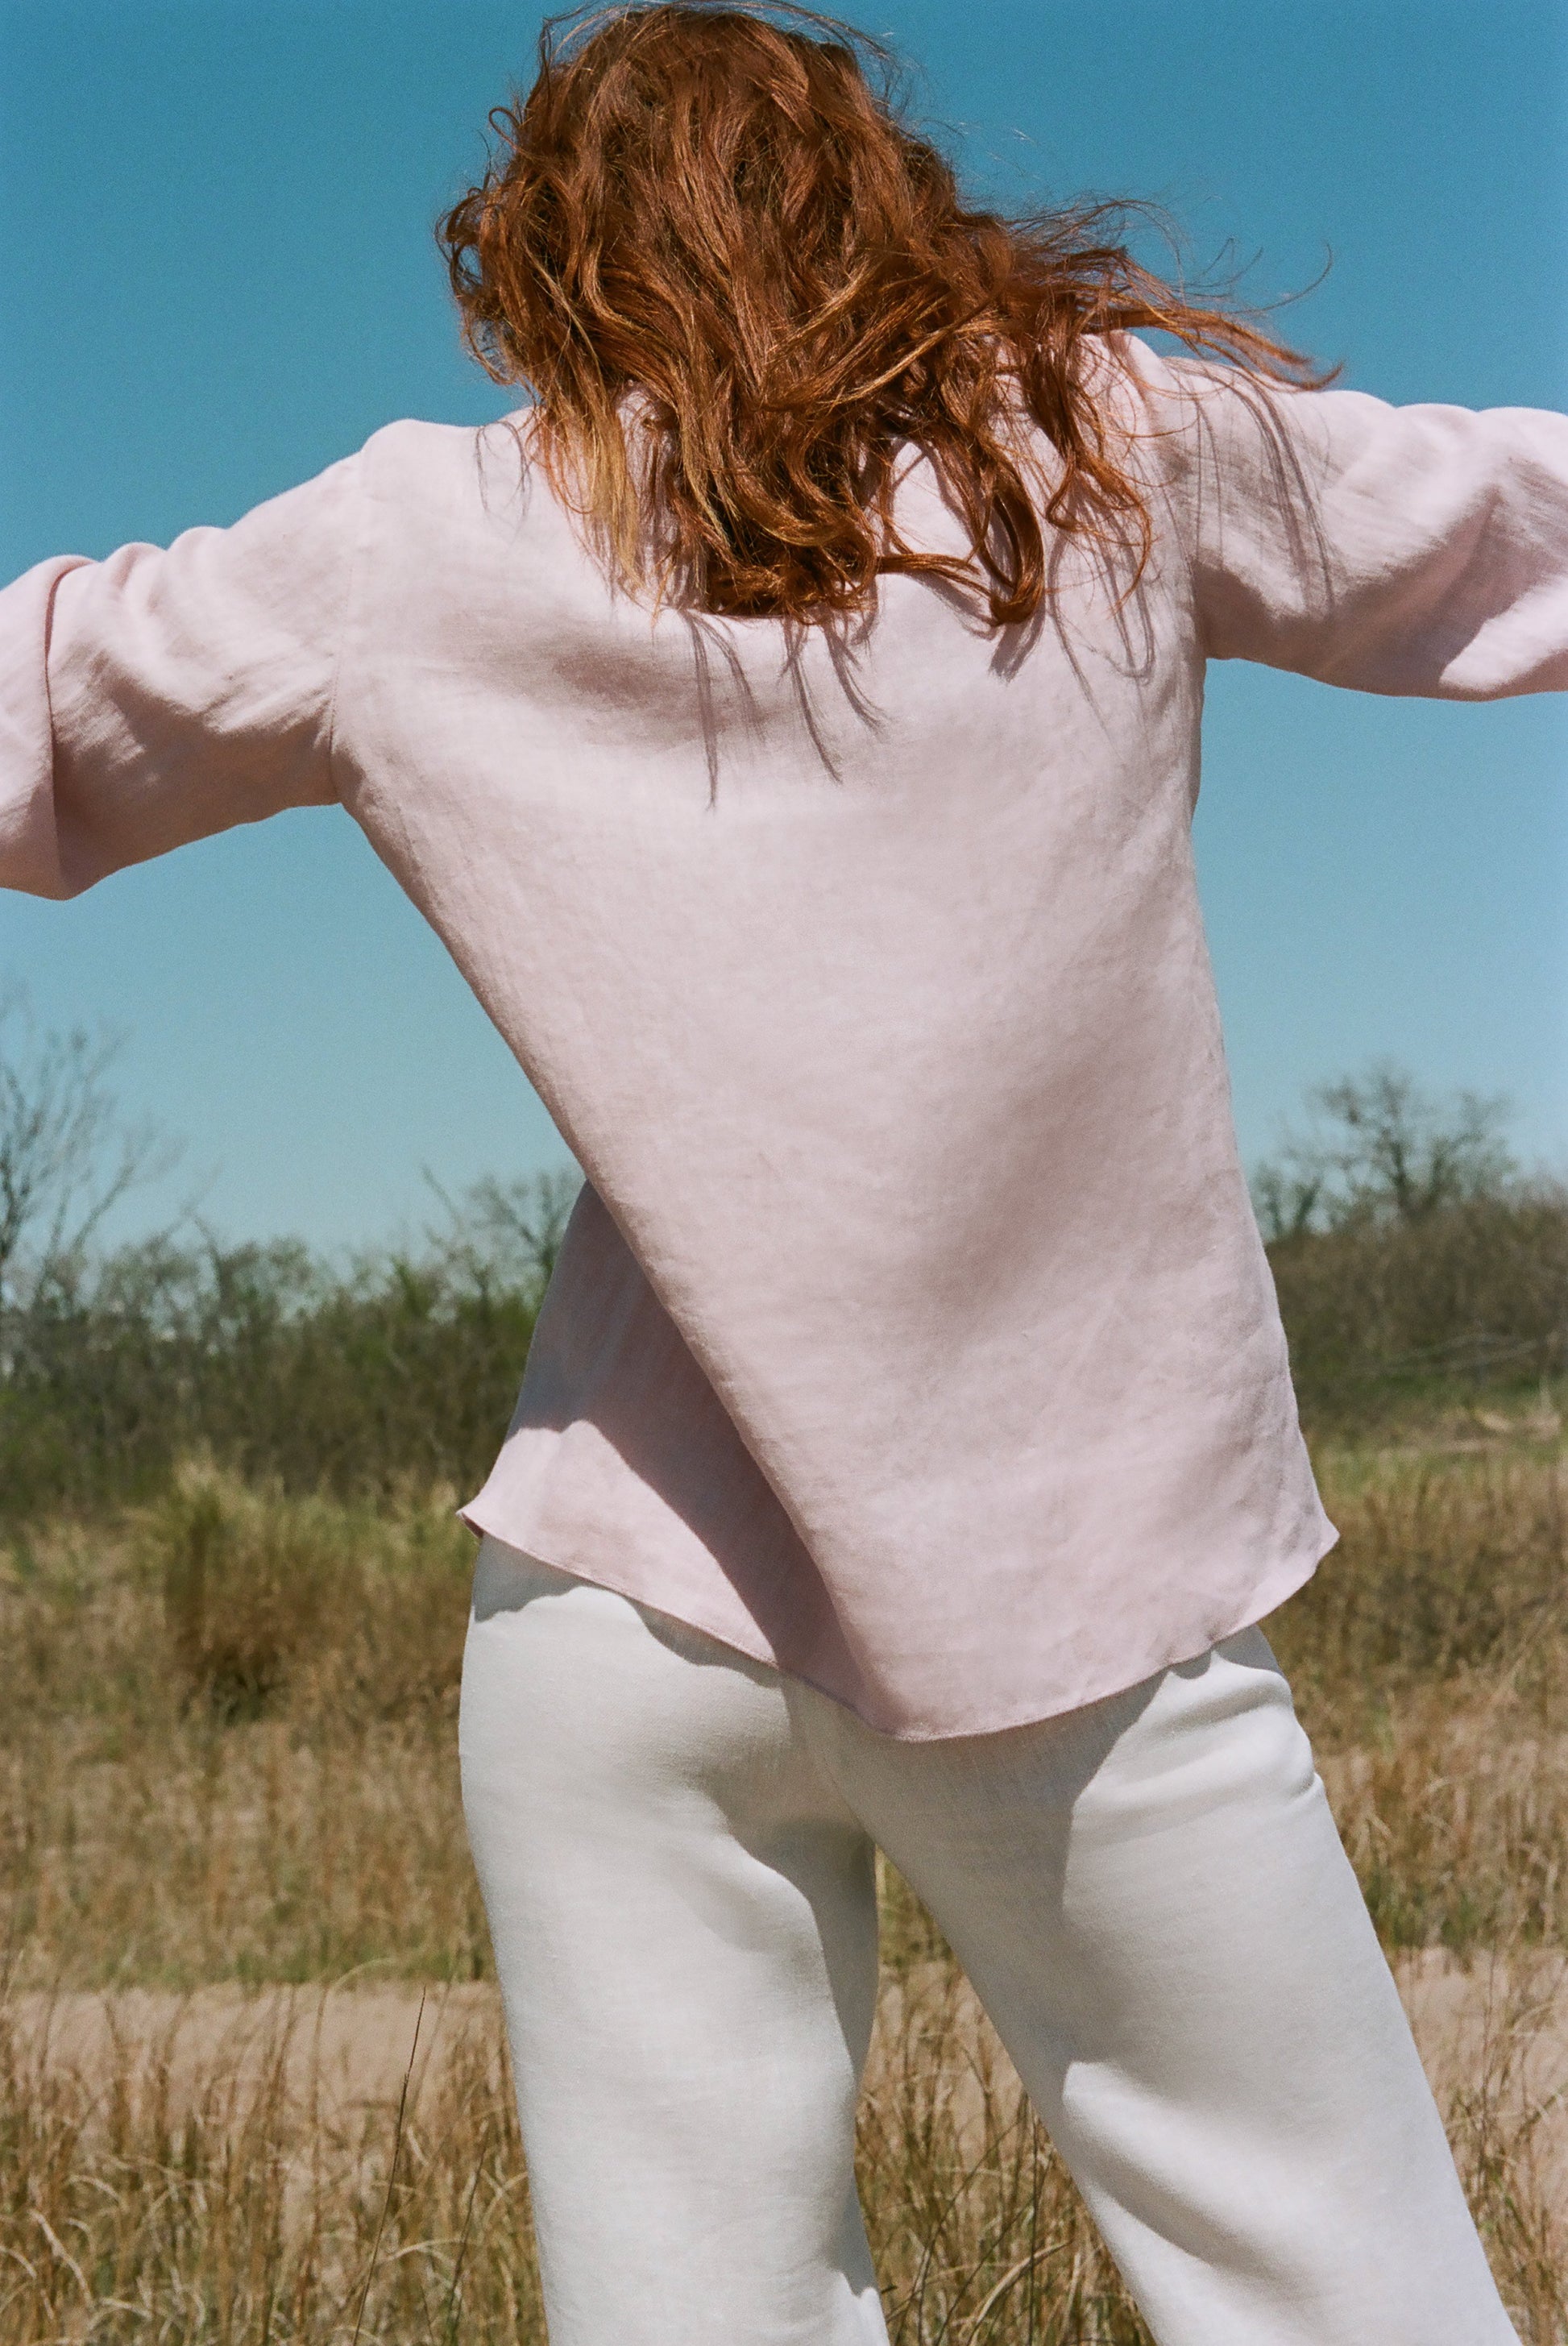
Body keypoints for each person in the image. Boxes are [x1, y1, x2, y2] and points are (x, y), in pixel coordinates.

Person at [3, 4, 1564, 2338]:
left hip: (618, 1612)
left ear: (542, 259)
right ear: (878, 203)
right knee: (1345, 2292)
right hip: (1077, 1611)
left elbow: (39, 707)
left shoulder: (414, 547)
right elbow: (1512, 523)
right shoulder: (1100, 447)